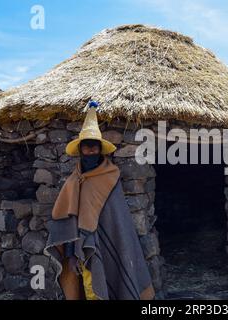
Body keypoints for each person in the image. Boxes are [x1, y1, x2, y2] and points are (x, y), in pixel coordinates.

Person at [44, 101, 155, 300]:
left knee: (104, 283)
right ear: (80, 150)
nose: (91, 152)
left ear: (100, 150)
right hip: (81, 248)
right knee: (89, 286)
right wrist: (70, 252)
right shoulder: (73, 181)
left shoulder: (110, 177)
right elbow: (67, 218)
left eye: (94, 147)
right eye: (86, 148)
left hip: (104, 243)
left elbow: (118, 221)